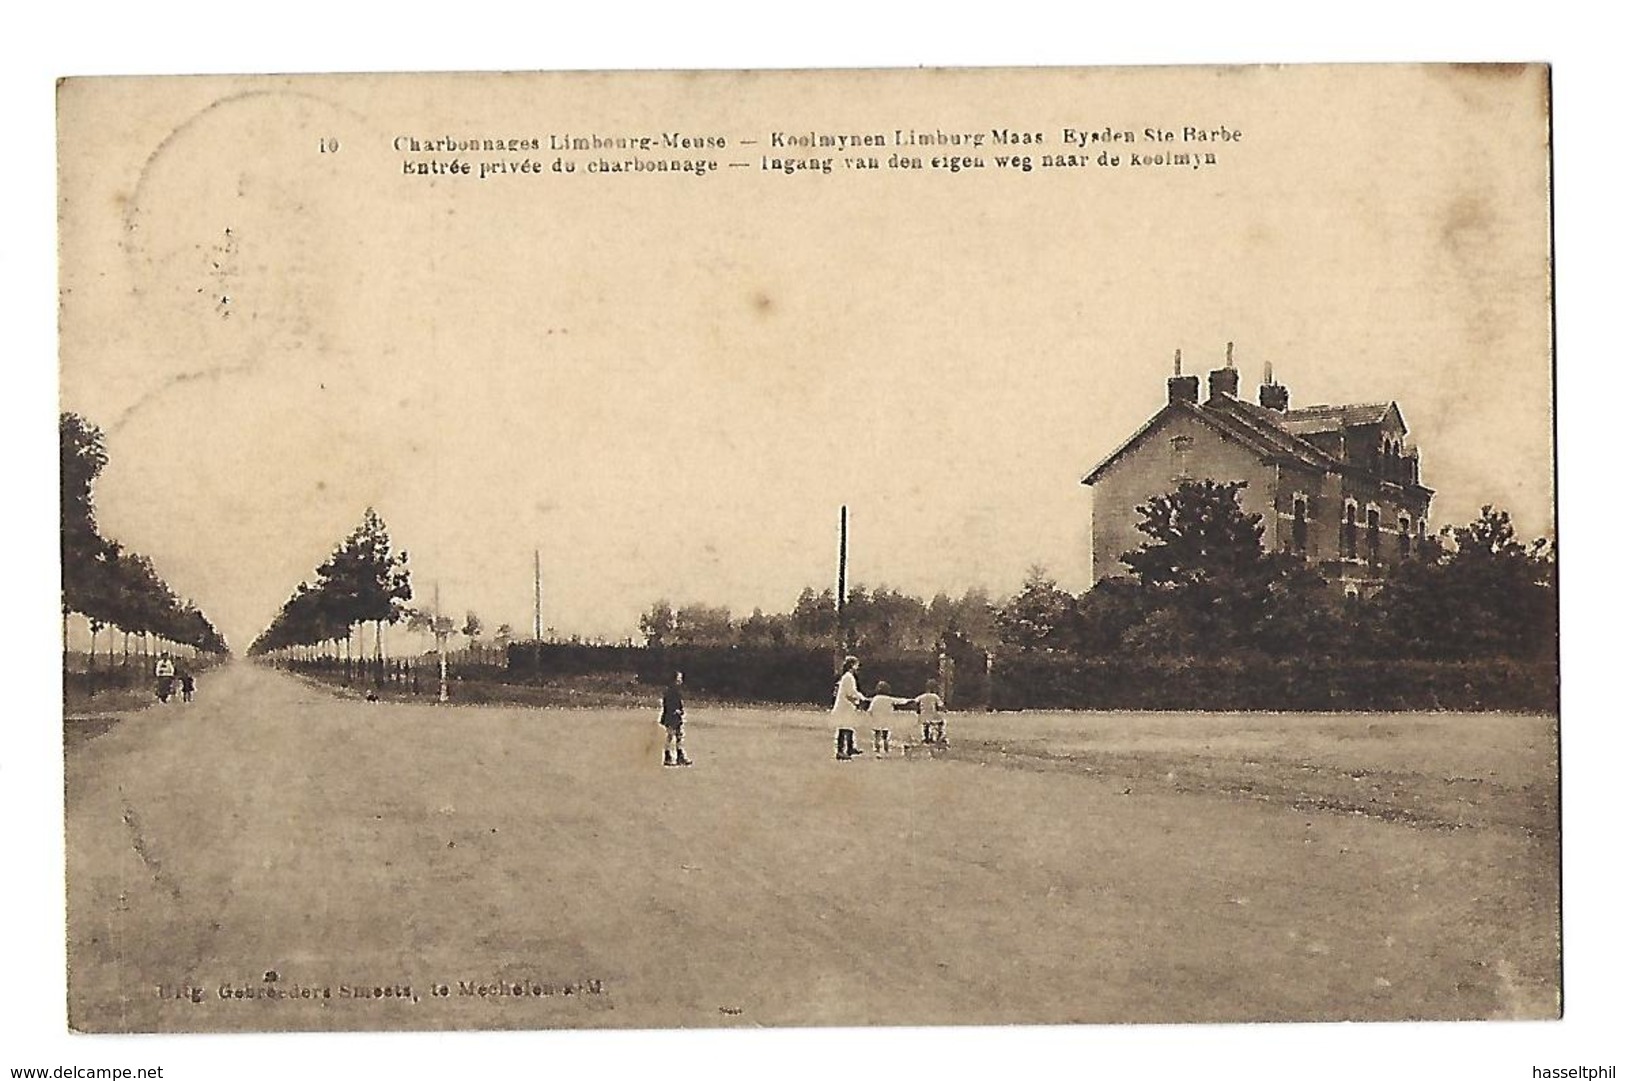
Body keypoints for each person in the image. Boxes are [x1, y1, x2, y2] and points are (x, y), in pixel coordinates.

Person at [831, 656, 865, 760]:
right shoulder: (848, 677)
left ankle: (850, 748)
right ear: (852, 665)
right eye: (856, 664)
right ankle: (840, 752)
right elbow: (850, 692)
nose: (857, 667)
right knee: (843, 728)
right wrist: (861, 698)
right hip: (844, 707)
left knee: (849, 727)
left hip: (848, 707)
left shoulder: (848, 677)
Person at [866, 680, 912, 756]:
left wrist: (871, 715)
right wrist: (909, 700)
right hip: (886, 719)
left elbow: (870, 710)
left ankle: (876, 747)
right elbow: (899, 701)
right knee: (885, 734)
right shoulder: (889, 699)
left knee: (877, 734)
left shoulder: (876, 699)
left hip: (877, 719)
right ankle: (886, 747)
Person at [660, 671, 691, 767]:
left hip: (676, 716)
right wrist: (675, 711)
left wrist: (680, 711)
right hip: (671, 716)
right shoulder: (671, 691)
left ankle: (679, 755)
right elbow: (668, 704)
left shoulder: (677, 690)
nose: (680, 681)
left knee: (679, 736)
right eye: (678, 679)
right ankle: (668, 756)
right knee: (670, 736)